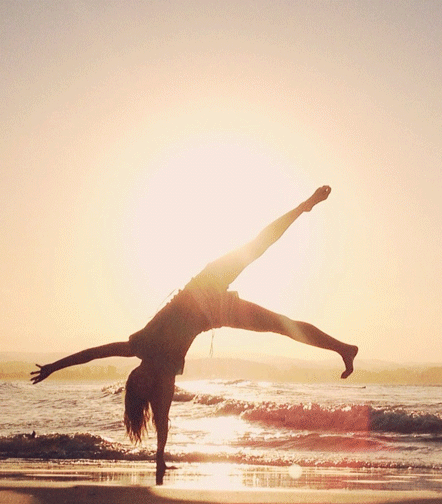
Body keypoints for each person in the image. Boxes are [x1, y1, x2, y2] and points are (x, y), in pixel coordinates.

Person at [31, 186, 357, 484]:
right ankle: (343, 349)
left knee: (257, 246)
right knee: (281, 325)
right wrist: (160, 459)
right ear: (146, 392)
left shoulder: (138, 346)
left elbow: (92, 354)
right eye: (144, 387)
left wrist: (53, 367)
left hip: (203, 284)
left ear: (133, 378)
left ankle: (304, 207)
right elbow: (163, 419)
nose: (142, 380)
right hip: (215, 313)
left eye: (136, 381)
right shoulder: (164, 377)